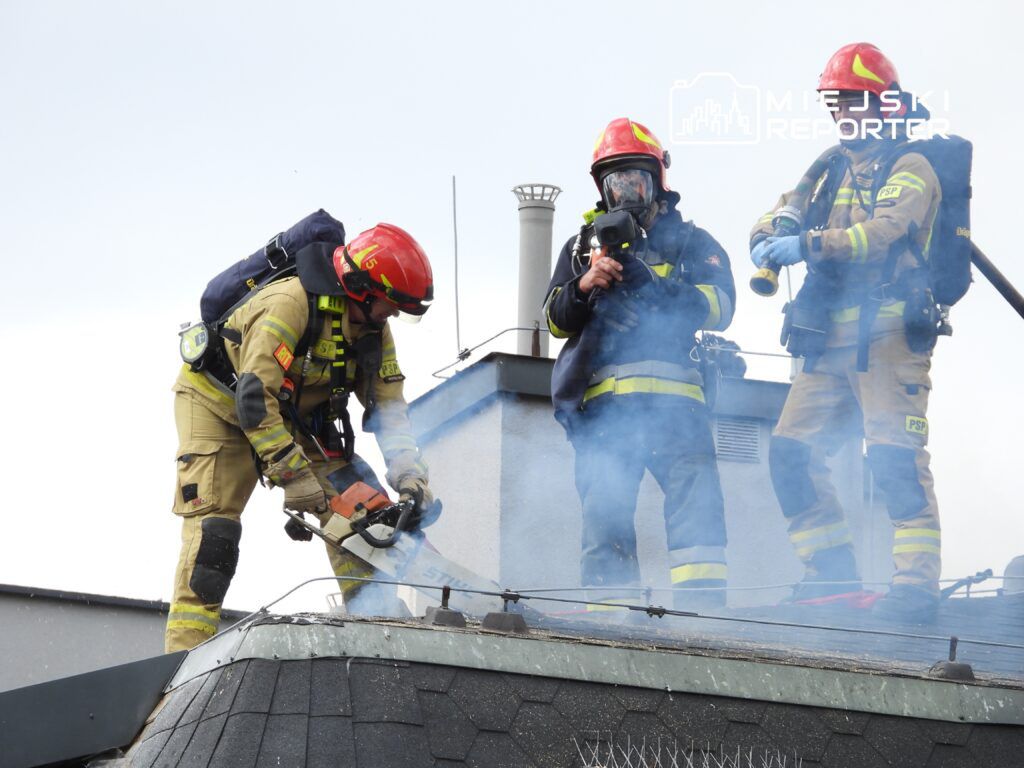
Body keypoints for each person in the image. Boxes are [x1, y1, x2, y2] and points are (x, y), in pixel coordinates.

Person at [165, 223, 436, 652]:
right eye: (391, 304)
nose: (395, 315)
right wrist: (294, 476)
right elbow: (253, 402)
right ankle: (182, 658)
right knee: (214, 537)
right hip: (219, 406)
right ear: (362, 288)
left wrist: (409, 474)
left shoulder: (373, 327)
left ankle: (375, 633)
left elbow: (388, 407)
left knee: (365, 514)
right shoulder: (289, 305)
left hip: (296, 414)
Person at [750, 43, 943, 621]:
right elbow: (768, 216)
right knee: (789, 451)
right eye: (838, 104)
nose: (844, 115)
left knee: (894, 459)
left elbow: (878, 234)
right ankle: (829, 572)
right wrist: (772, 230)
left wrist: (804, 244)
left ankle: (915, 587)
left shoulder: (910, 167)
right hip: (829, 338)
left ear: (884, 106)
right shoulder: (827, 170)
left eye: (855, 102)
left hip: (887, 337)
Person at [545, 117, 736, 612]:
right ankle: (611, 630)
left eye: (634, 179)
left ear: (657, 181)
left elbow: (722, 307)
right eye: (614, 182)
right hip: (606, 413)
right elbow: (554, 322)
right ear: (602, 189)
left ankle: (704, 622)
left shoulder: (692, 241)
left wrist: (657, 287)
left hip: (679, 411)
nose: (625, 192)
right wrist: (585, 285)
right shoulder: (580, 246)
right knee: (604, 521)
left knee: (698, 515)